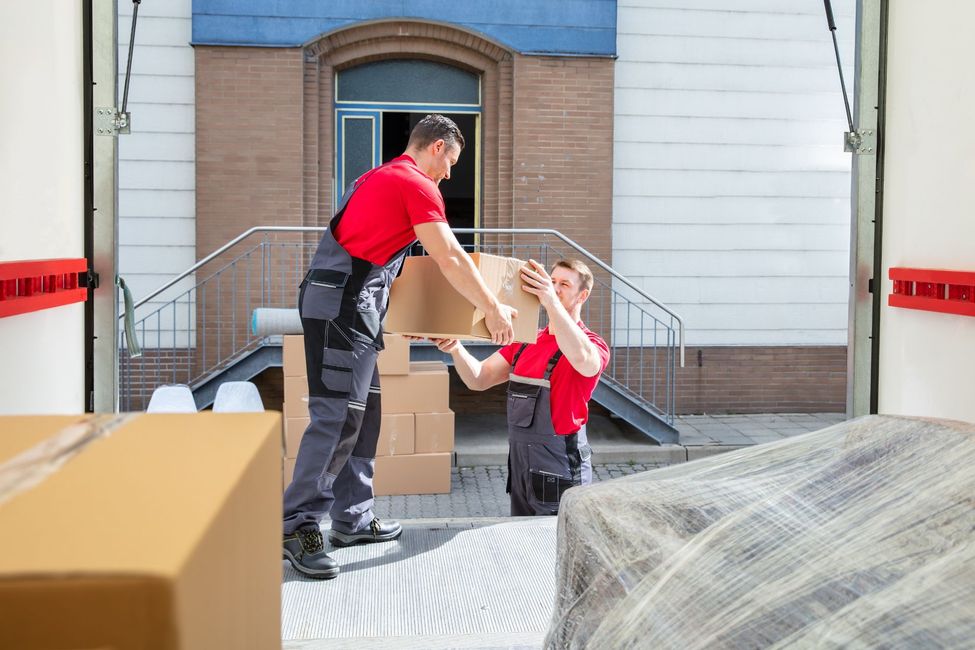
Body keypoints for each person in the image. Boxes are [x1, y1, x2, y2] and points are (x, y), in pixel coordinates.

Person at [283, 115, 518, 579]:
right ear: (434, 148)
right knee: (337, 416)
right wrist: (492, 307)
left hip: (356, 305)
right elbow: (448, 255)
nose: (450, 174)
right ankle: (297, 524)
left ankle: (352, 518)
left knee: (364, 413)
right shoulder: (414, 183)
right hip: (342, 308)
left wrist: (412, 318)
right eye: (450, 162)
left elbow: (386, 257)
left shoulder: (379, 178)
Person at [434, 259, 609, 516]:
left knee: (557, 544)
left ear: (582, 295)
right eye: (551, 281)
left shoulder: (593, 344)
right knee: (524, 543)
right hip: (521, 466)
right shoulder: (527, 340)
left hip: (559, 466)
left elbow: (584, 361)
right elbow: (479, 378)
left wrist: (550, 301)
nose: (554, 288)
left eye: (564, 284)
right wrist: (456, 349)